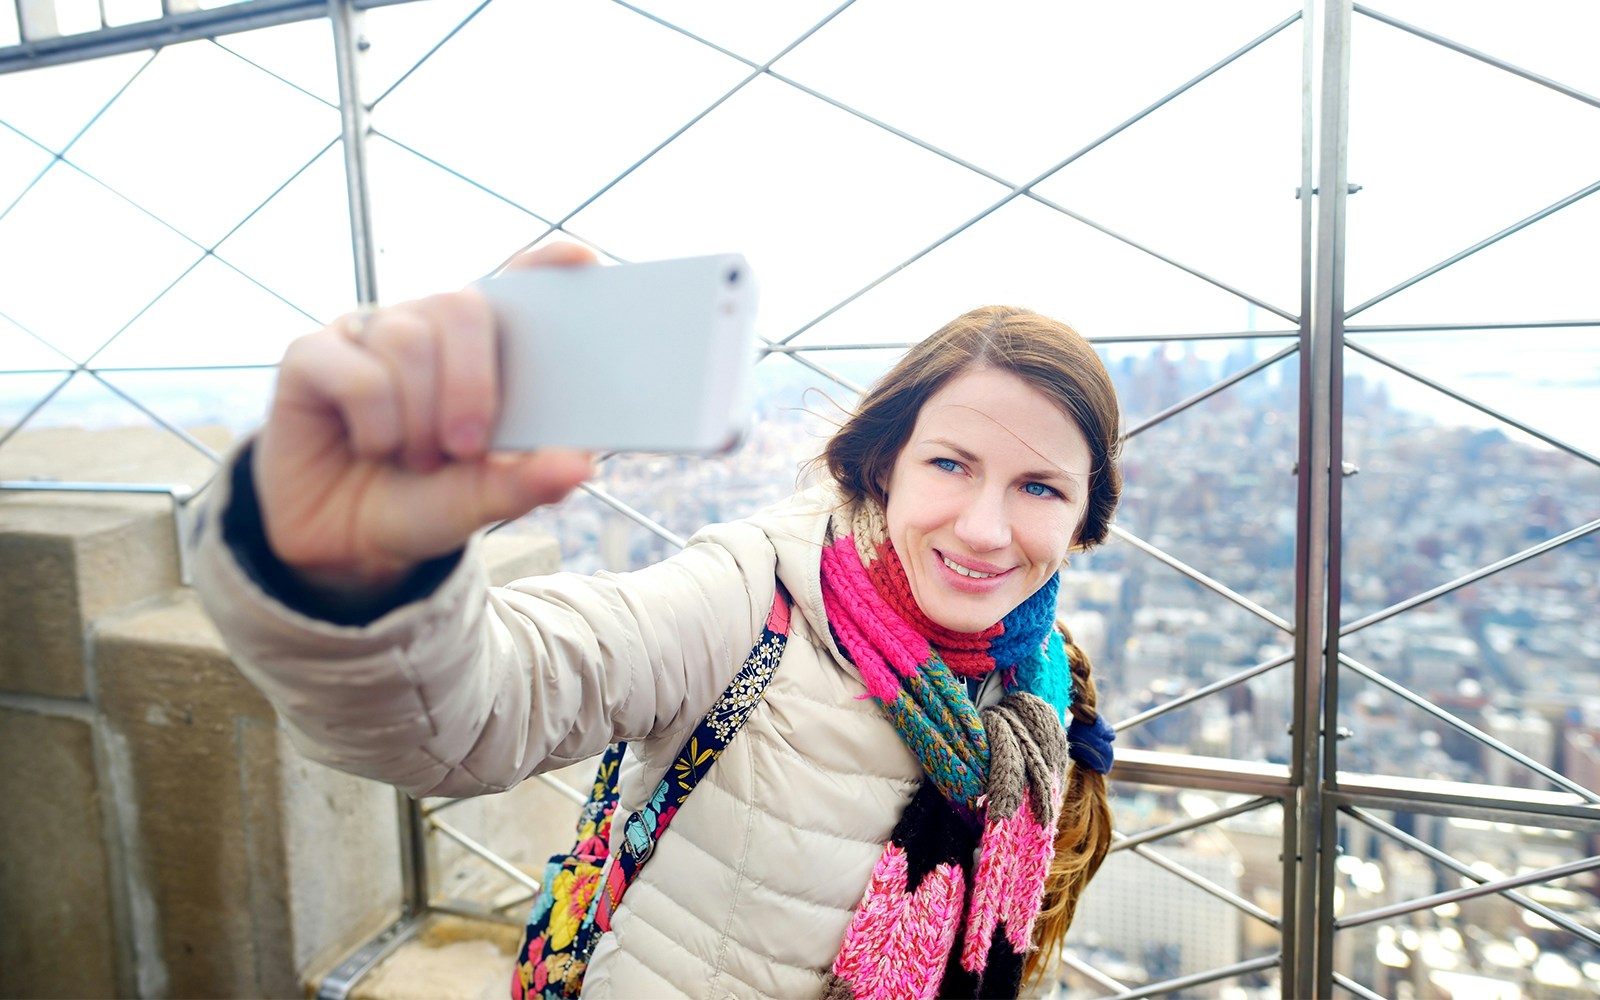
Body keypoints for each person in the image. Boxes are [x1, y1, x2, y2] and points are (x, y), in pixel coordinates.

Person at [191, 242, 1123, 1000]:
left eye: (1039, 486)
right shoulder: (751, 597)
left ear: (1086, 519)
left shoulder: (1042, 691)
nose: (986, 529)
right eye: (951, 465)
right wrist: (351, 569)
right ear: (885, 464)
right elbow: (478, 710)